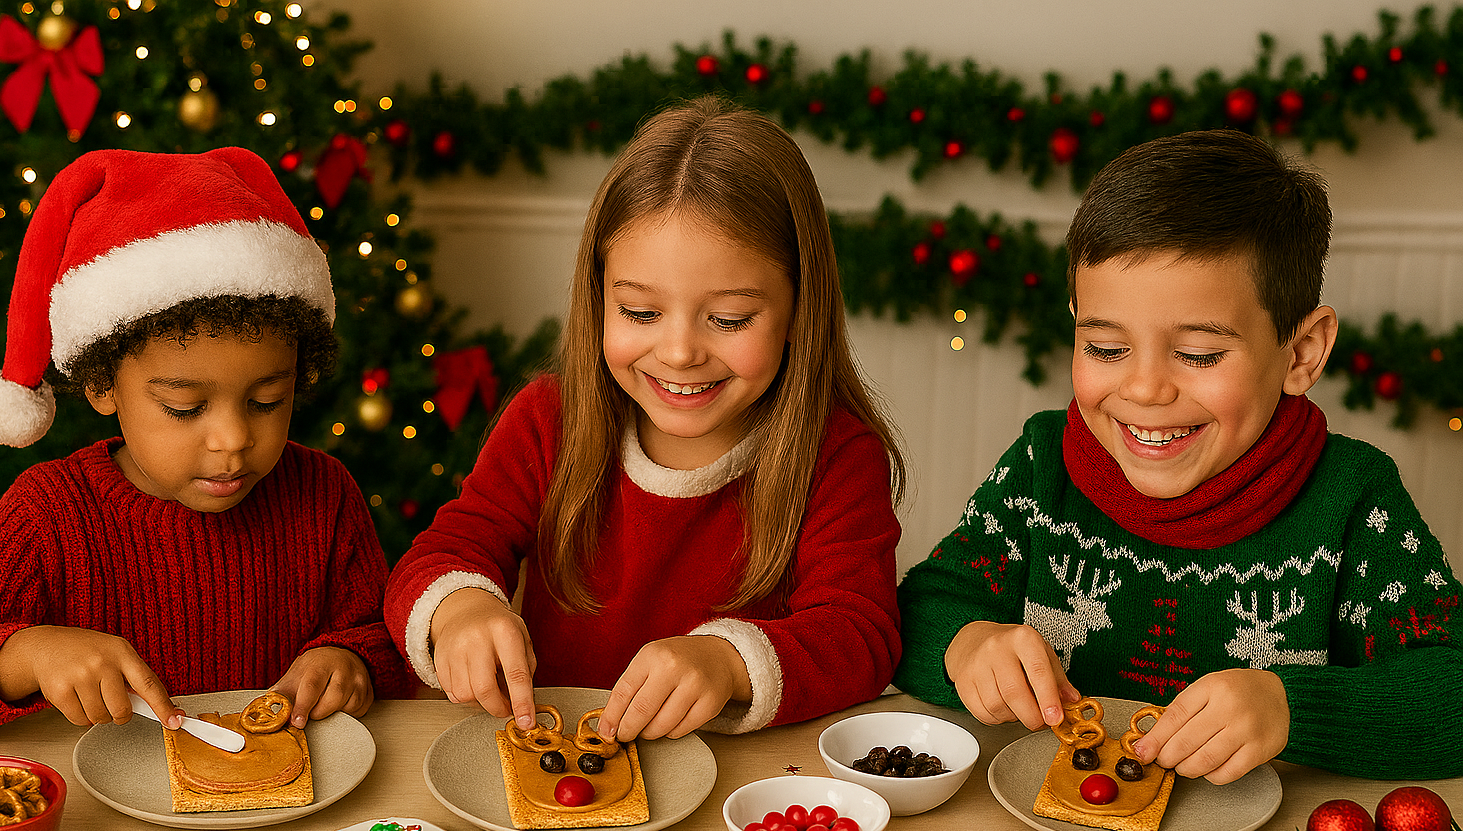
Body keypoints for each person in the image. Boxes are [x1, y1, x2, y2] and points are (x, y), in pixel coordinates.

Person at [896, 129, 1463, 783]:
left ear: (1301, 354)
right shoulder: (1039, 466)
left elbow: (1448, 684)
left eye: (1198, 355)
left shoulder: (1353, 498)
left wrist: (1290, 709)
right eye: (1106, 348)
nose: (1144, 389)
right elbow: (915, 613)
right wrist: (966, 646)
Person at [386, 97, 905, 741]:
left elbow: (860, 634)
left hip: (737, 799)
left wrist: (729, 662)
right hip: (555, 770)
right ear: (599, 297)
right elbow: (444, 549)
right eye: (638, 313)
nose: (681, 352)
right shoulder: (551, 417)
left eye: (730, 319)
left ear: (801, 308)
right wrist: (460, 607)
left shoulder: (837, 453)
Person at [0, 147, 412, 738]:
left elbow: (384, 639)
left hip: (283, 815)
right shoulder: (50, 514)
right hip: (112, 823)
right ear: (102, 384)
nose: (234, 440)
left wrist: (352, 661)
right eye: (185, 408)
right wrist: (25, 655)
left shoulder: (324, 494)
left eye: (267, 401)